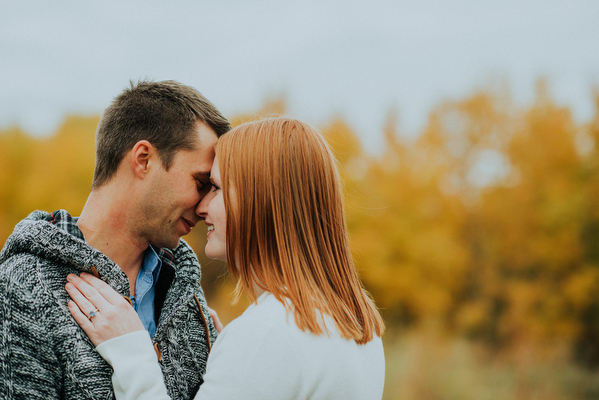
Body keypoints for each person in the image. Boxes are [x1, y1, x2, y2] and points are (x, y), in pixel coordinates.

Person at [65, 117, 386, 400]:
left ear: (260, 199)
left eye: (215, 188)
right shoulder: (359, 330)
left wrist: (131, 353)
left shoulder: (266, 335)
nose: (202, 208)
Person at [0, 80, 231, 400]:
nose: (205, 206)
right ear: (143, 159)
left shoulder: (187, 294)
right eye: (201, 182)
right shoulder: (21, 288)